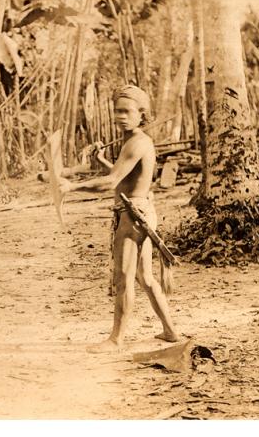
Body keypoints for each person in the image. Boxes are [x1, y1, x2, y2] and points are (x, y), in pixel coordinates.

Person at [58, 84, 179, 353]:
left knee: (124, 278)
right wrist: (102, 160)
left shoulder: (137, 142)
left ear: (142, 114)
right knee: (145, 278)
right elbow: (125, 178)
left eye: (127, 111)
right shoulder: (134, 141)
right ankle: (170, 332)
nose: (120, 116)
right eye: (117, 111)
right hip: (141, 211)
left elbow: (111, 182)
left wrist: (71, 187)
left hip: (133, 216)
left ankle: (116, 340)